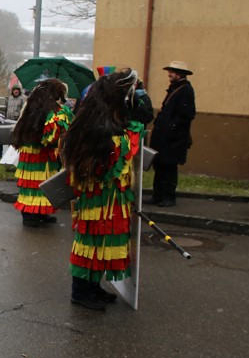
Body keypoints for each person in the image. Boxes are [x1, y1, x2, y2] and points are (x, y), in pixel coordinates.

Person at [60, 68, 146, 311]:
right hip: (98, 198)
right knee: (90, 241)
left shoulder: (104, 124)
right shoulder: (99, 131)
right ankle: (80, 291)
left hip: (110, 198)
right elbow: (110, 162)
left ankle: (93, 286)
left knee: (102, 242)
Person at [12, 78, 71, 227]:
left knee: (41, 184)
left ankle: (39, 212)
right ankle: (28, 214)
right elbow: (47, 136)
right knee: (31, 184)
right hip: (35, 152)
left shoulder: (39, 107)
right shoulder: (38, 108)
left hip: (43, 154)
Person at [149, 61, 196, 207]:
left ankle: (168, 197)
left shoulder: (185, 90)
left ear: (180, 74)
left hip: (173, 140)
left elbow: (186, 114)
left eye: (172, 71)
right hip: (166, 138)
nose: (169, 74)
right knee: (161, 167)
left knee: (169, 168)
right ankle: (158, 196)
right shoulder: (176, 88)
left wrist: (171, 127)